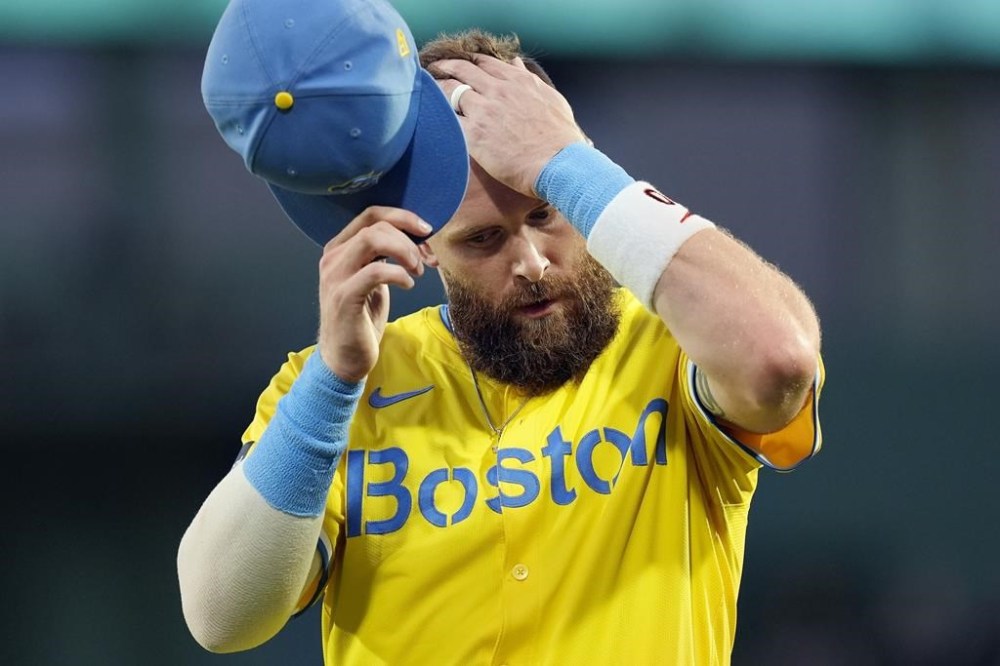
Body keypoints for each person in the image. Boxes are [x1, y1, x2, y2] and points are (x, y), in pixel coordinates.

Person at [179, 18, 825, 666]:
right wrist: (335, 379)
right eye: (483, 239)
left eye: (547, 212)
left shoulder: (674, 345)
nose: (533, 263)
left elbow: (778, 360)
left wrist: (564, 161)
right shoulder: (338, 389)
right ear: (423, 243)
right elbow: (221, 617)